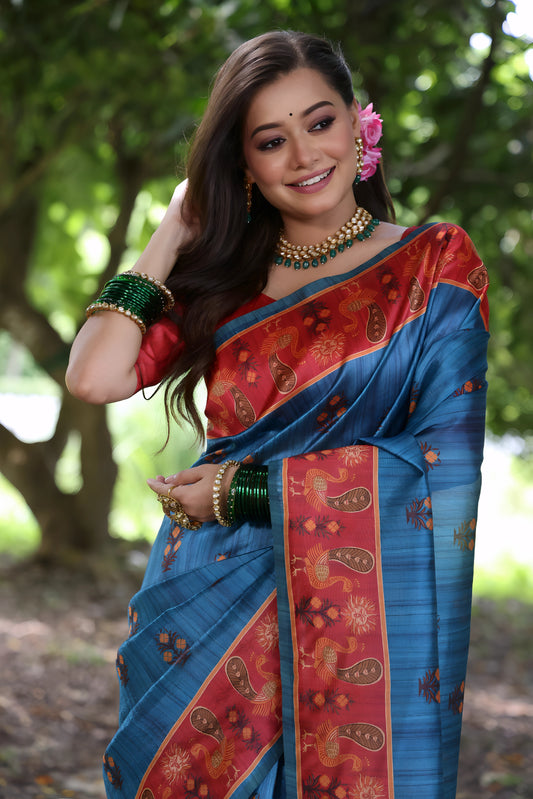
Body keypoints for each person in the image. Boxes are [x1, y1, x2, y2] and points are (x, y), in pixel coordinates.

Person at [66, 30, 489, 799]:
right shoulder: (221, 280)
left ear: (359, 126)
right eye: (270, 139)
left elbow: (443, 464)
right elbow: (95, 376)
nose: (302, 155)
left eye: (318, 122)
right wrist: (174, 227)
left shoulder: (433, 266)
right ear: (245, 165)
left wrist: (245, 491)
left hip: (356, 606)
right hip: (208, 593)